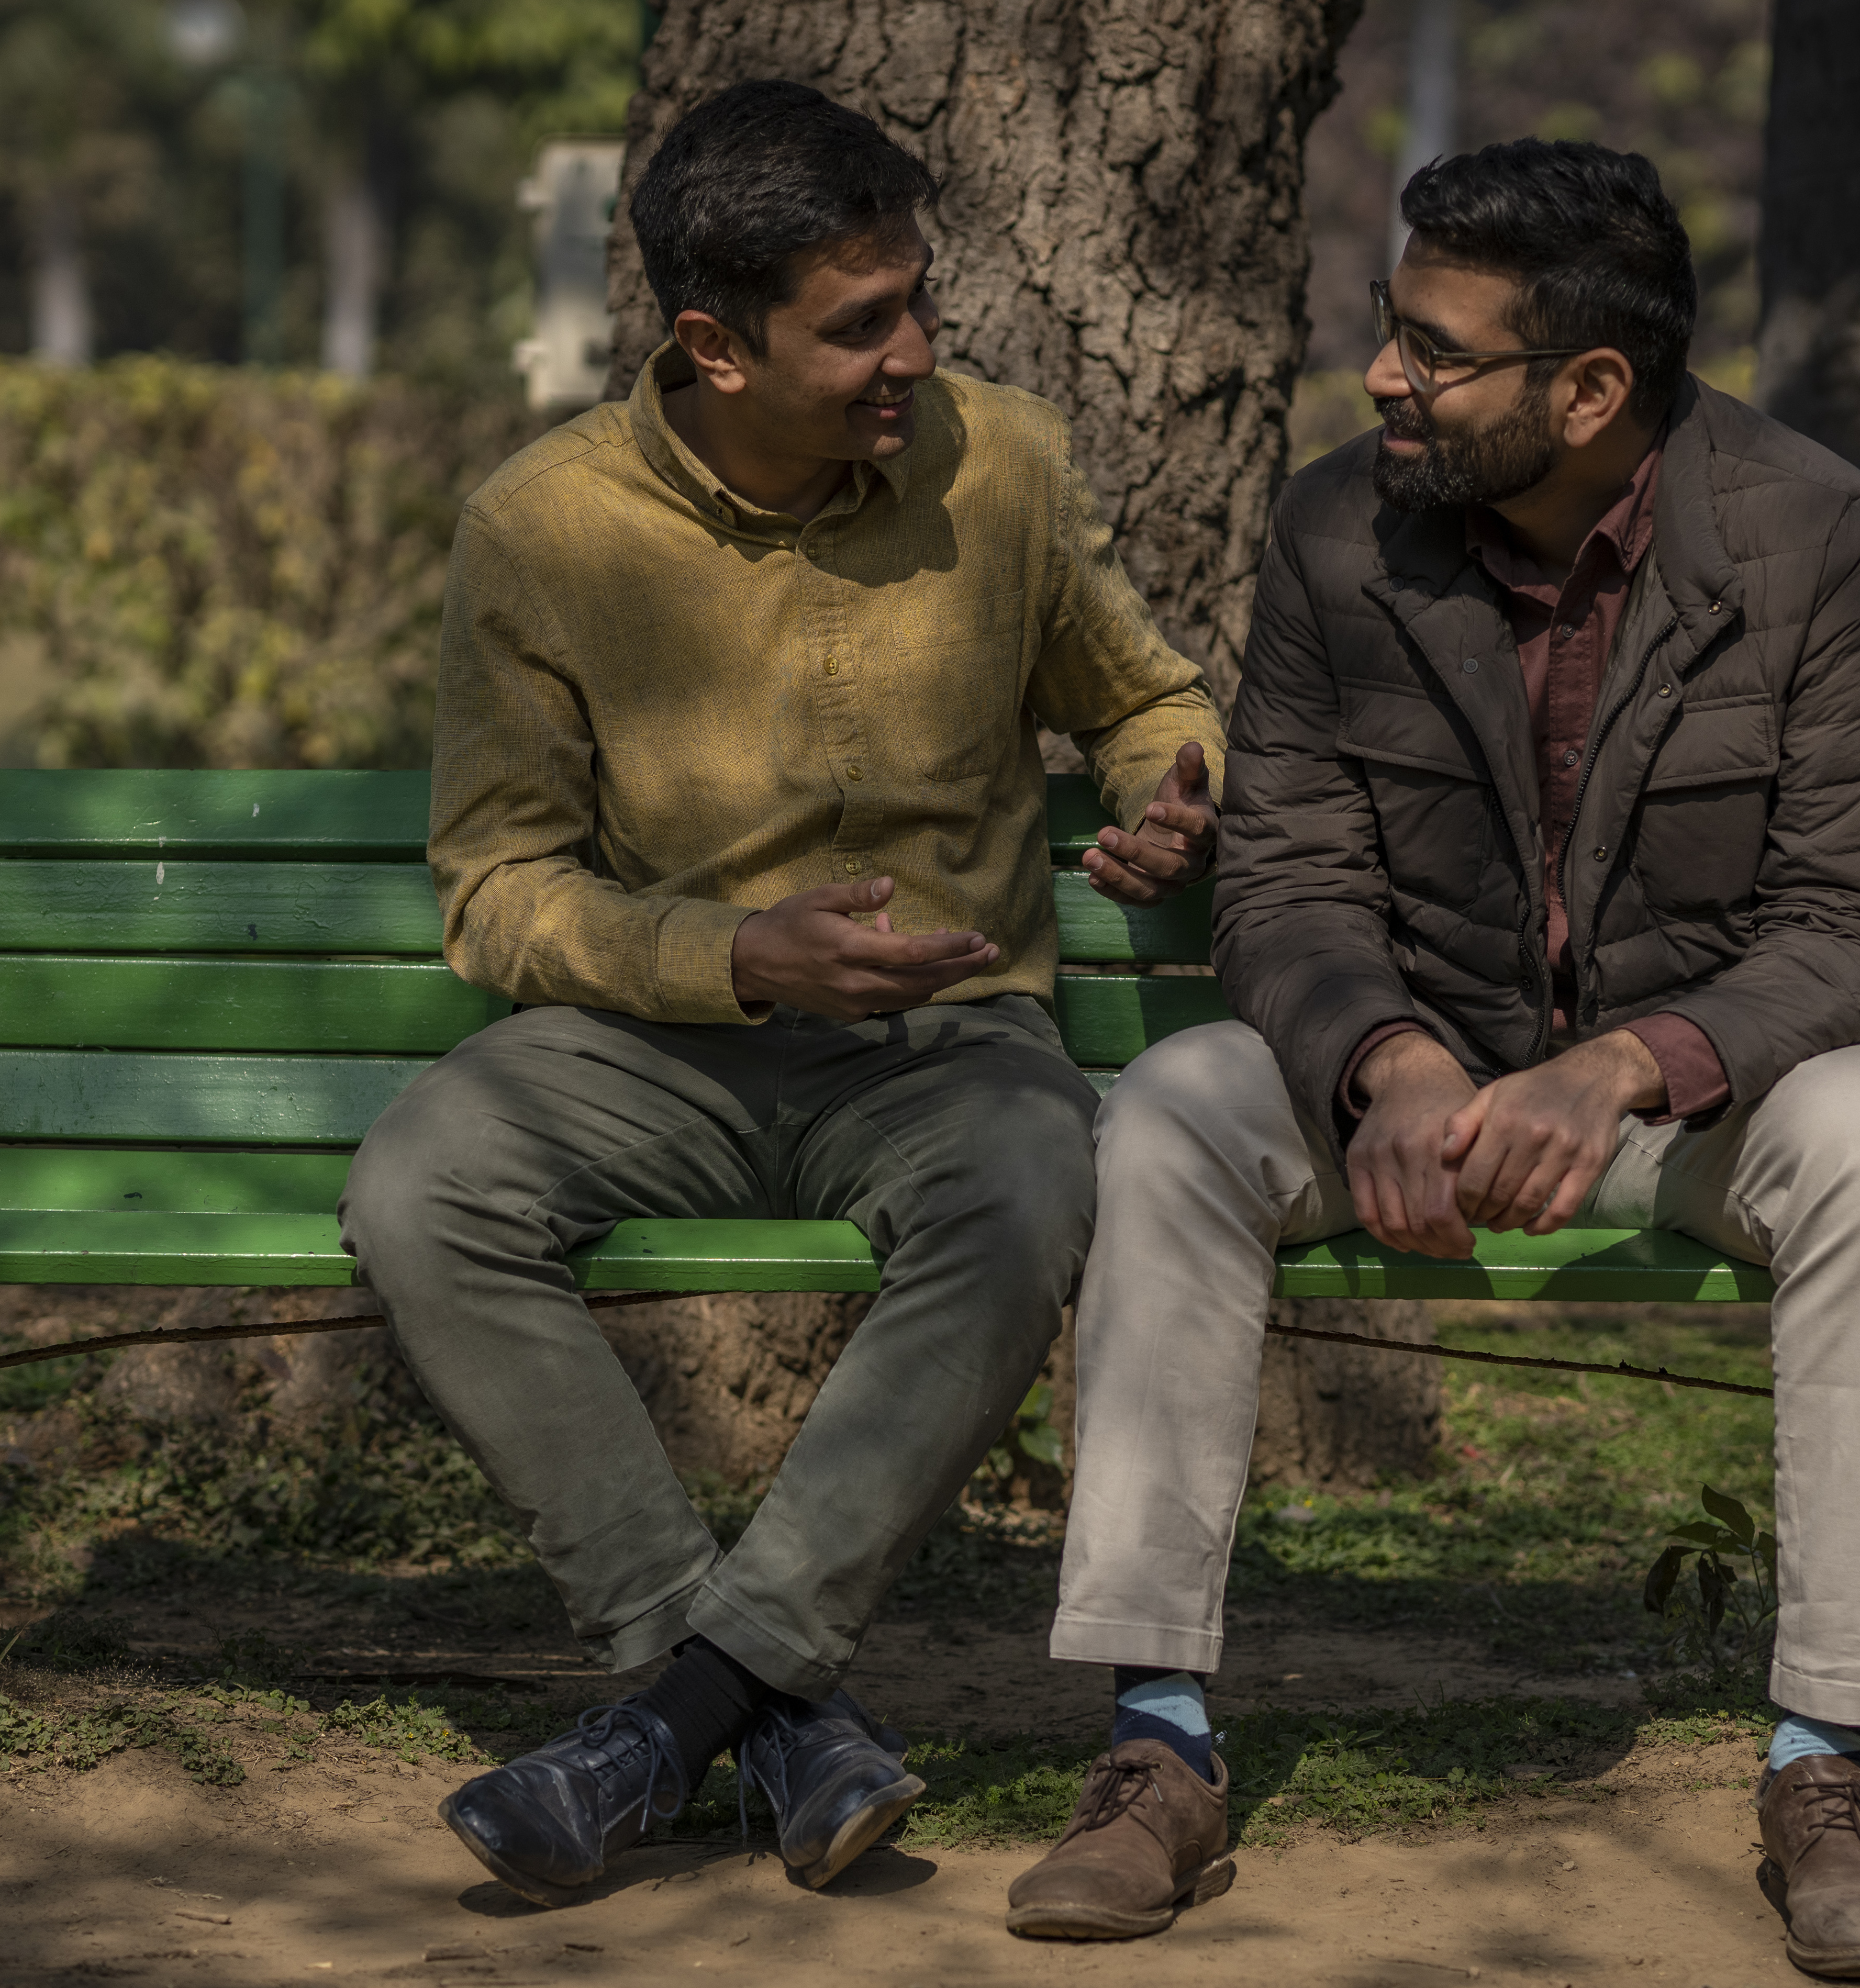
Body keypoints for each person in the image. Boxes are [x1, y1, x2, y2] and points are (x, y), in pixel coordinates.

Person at [1007, 139, 1860, 1982]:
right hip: (1421, 1095)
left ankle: (1837, 1762)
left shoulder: (1816, 533)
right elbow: (1287, 876)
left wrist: (1627, 1068)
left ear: (1591, 389)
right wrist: (1387, 1062)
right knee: (1179, 1108)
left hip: (1700, 1102)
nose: (1383, 375)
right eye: (1394, 326)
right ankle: (1155, 1744)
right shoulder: (1336, 531)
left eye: (1436, 353)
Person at [339, 80, 1220, 1909]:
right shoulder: (543, 529)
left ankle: (676, 1719)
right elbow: (497, 888)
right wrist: (734, 955)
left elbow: (1145, 700)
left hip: (945, 1053)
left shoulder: (1005, 467)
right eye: (862, 324)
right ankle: (748, 1697)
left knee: (1032, 1183)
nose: (917, 354)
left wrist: (1170, 791)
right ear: (713, 346)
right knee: (424, 1187)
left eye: (918, 300)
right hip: (653, 1045)